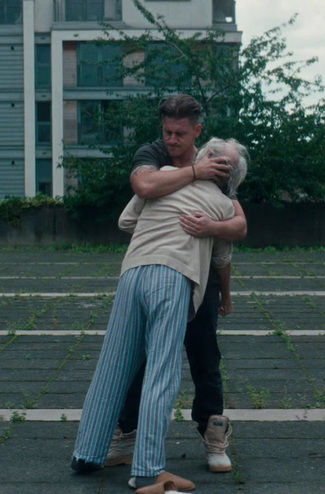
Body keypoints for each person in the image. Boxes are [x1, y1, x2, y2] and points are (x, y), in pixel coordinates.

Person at [71, 138, 250, 494]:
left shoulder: (165, 173)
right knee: (161, 373)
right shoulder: (222, 204)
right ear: (231, 179)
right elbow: (221, 259)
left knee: (112, 365)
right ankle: (149, 472)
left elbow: (126, 220)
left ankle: (87, 452)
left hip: (132, 272)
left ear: (204, 157)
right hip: (172, 276)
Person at [108, 94, 246, 475]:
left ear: (196, 132)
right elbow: (144, 187)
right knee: (140, 356)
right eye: (167, 132)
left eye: (180, 134)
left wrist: (210, 228)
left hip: (200, 276)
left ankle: (212, 430)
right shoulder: (153, 152)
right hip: (157, 271)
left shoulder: (217, 161)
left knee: (204, 356)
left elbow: (238, 227)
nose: (171, 140)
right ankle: (128, 432)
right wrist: (192, 175)